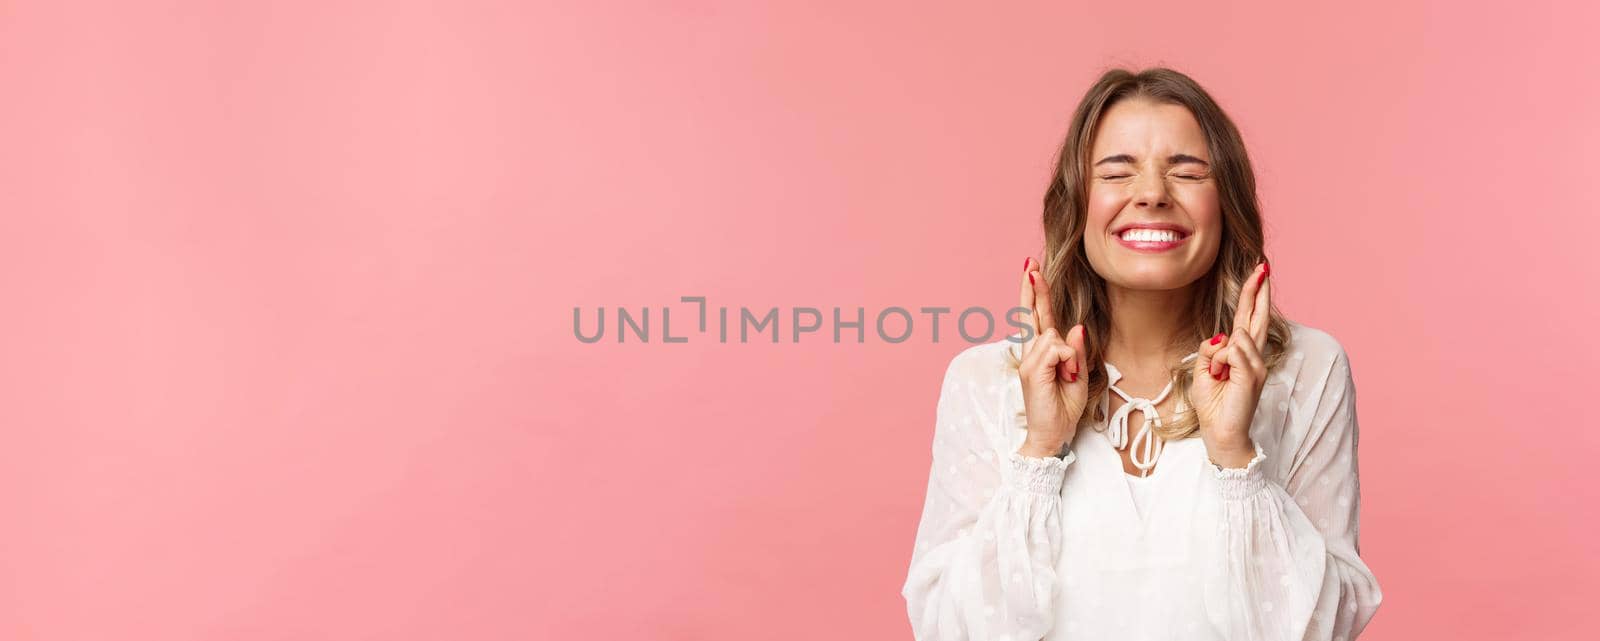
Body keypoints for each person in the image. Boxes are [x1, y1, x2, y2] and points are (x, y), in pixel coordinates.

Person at [900, 67, 1382, 640]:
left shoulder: (1308, 368)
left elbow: (1326, 630)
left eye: (1187, 171)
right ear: (1077, 203)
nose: (1152, 193)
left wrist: (1233, 455)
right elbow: (947, 628)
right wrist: (1040, 451)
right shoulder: (984, 380)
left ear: (1226, 203)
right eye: (1116, 171)